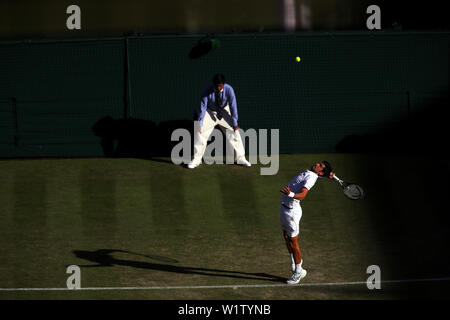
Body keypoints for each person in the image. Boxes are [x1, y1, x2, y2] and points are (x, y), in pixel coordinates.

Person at [280, 161, 334, 284]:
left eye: (320, 166)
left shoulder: (311, 177)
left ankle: (299, 271)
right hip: (284, 208)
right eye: (319, 163)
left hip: (291, 213)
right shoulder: (312, 173)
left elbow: (303, 195)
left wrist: (290, 194)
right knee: (286, 236)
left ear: (320, 171)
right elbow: (316, 175)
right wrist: (328, 175)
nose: (317, 164)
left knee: (294, 242)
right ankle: (294, 262)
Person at [187, 74, 251, 169]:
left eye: (220, 85)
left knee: (235, 132)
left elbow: (233, 106)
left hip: (224, 111)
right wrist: (200, 122)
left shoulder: (229, 90)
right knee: (200, 132)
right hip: (210, 112)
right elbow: (203, 107)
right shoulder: (206, 90)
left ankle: (240, 158)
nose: (218, 87)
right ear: (213, 84)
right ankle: (196, 160)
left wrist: (235, 123)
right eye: (216, 85)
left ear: (224, 84)